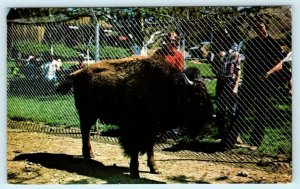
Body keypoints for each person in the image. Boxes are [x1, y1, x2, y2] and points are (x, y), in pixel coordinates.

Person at [230, 16, 284, 150]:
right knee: (242, 109)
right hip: (250, 80)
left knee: (261, 111)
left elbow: (280, 65)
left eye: (260, 27)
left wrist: (266, 74)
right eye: (256, 28)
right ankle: (231, 138)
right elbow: (247, 62)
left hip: (264, 82)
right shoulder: (251, 43)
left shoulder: (273, 44)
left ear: (267, 27)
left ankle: (255, 142)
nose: (258, 30)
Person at [207, 28, 243, 147]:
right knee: (221, 111)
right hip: (220, 82)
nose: (225, 39)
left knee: (232, 111)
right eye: (223, 36)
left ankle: (234, 136)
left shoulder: (234, 54)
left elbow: (238, 72)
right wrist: (214, 60)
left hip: (230, 82)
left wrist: (235, 86)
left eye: (227, 37)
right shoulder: (218, 53)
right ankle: (223, 136)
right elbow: (214, 70)